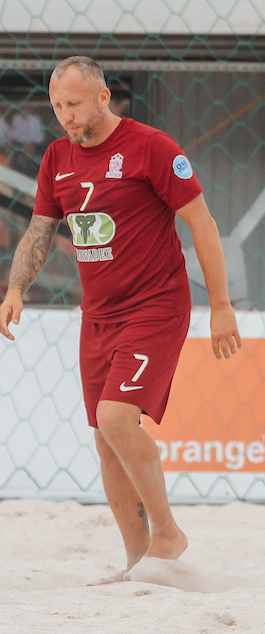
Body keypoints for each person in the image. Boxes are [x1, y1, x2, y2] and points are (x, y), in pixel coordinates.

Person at [0, 56, 242, 581]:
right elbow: (40, 231)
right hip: (98, 316)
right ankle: (138, 564)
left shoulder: (151, 147)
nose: (65, 115)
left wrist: (221, 305)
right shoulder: (56, 158)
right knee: (105, 438)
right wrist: (16, 288)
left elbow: (202, 224)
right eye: (57, 106)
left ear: (104, 97)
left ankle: (168, 534)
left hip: (156, 306)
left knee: (115, 418)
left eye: (74, 103)